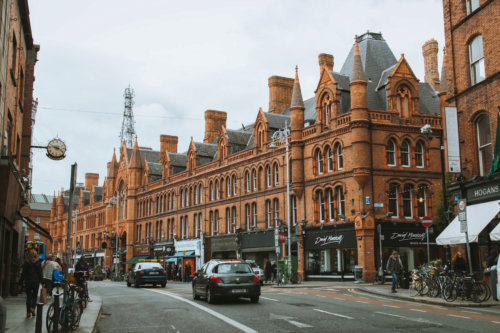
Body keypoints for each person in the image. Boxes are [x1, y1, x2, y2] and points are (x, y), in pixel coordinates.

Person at [18, 250, 42, 318]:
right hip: (35, 281)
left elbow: (23, 274)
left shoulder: (26, 263)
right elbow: (40, 274)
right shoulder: (38, 263)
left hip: (28, 281)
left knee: (28, 296)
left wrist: (20, 283)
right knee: (34, 296)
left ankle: (28, 312)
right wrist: (43, 282)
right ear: (35, 255)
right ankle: (32, 308)